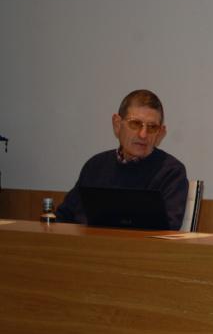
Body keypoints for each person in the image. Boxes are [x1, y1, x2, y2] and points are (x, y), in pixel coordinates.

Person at [56, 89, 189, 230]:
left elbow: (168, 228)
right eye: (135, 124)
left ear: (160, 133)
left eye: (152, 127)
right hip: (88, 243)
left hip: (140, 245)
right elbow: (63, 217)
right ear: (117, 124)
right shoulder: (95, 166)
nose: (143, 134)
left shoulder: (171, 172)